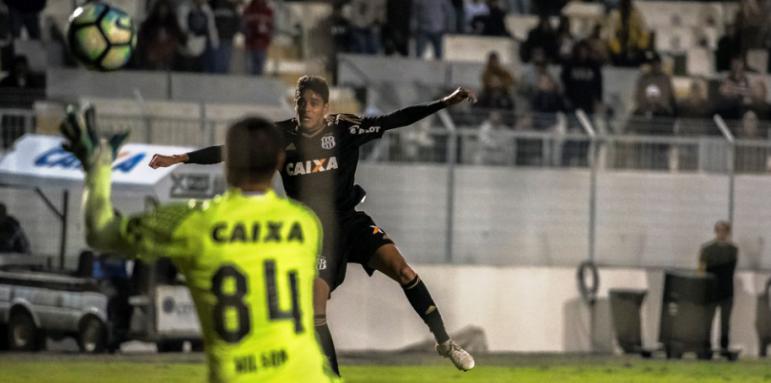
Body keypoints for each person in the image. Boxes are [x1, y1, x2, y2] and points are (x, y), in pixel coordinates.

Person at [148, 75, 477, 375]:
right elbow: (230, 150)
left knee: (403, 271)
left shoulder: (344, 129)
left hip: (349, 222)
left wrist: (444, 103)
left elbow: (394, 120)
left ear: (325, 107)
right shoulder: (279, 136)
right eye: (301, 102)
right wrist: (182, 158)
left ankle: (445, 343)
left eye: (313, 103)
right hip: (314, 234)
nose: (306, 108)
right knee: (315, 309)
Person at [60, 107, 340, 383]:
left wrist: (98, 167)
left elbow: (100, 232)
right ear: (279, 161)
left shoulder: (192, 224)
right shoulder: (306, 224)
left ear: (228, 162)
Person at [698, 221, 738, 356]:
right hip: (711, 290)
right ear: (716, 231)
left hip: (727, 290)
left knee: (725, 322)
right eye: (719, 230)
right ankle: (705, 346)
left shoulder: (733, 249)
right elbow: (701, 270)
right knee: (707, 320)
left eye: (724, 231)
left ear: (728, 232)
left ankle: (724, 346)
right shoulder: (707, 249)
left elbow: (730, 268)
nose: (722, 233)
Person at [136, 0, 184, 71]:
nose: (162, 12)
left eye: (165, 9)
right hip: (153, 54)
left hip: (167, 55)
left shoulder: (172, 23)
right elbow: (144, 36)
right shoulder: (151, 22)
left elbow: (179, 37)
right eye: (161, 9)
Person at [176, 0, 219, 72]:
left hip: (200, 47)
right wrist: (188, 38)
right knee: (184, 71)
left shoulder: (206, 9)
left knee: (198, 71)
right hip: (185, 48)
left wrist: (214, 41)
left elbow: (211, 27)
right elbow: (182, 26)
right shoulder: (184, 7)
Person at [606, 0, 650, 67]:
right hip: (618, 52)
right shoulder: (615, 15)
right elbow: (610, 36)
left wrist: (640, 47)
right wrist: (617, 50)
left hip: (634, 50)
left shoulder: (636, 15)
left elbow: (644, 32)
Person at [243, 0, 274, 75]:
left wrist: (269, 37)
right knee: (250, 67)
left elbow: (271, 26)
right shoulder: (249, 9)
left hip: (263, 43)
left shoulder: (268, 10)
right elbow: (244, 25)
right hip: (251, 42)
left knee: (260, 66)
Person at [211, 0, 241, 74]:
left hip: (227, 38)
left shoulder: (232, 7)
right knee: (217, 61)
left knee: (225, 61)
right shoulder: (214, 5)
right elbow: (211, 23)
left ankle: (223, 77)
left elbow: (237, 22)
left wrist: (233, 33)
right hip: (216, 38)